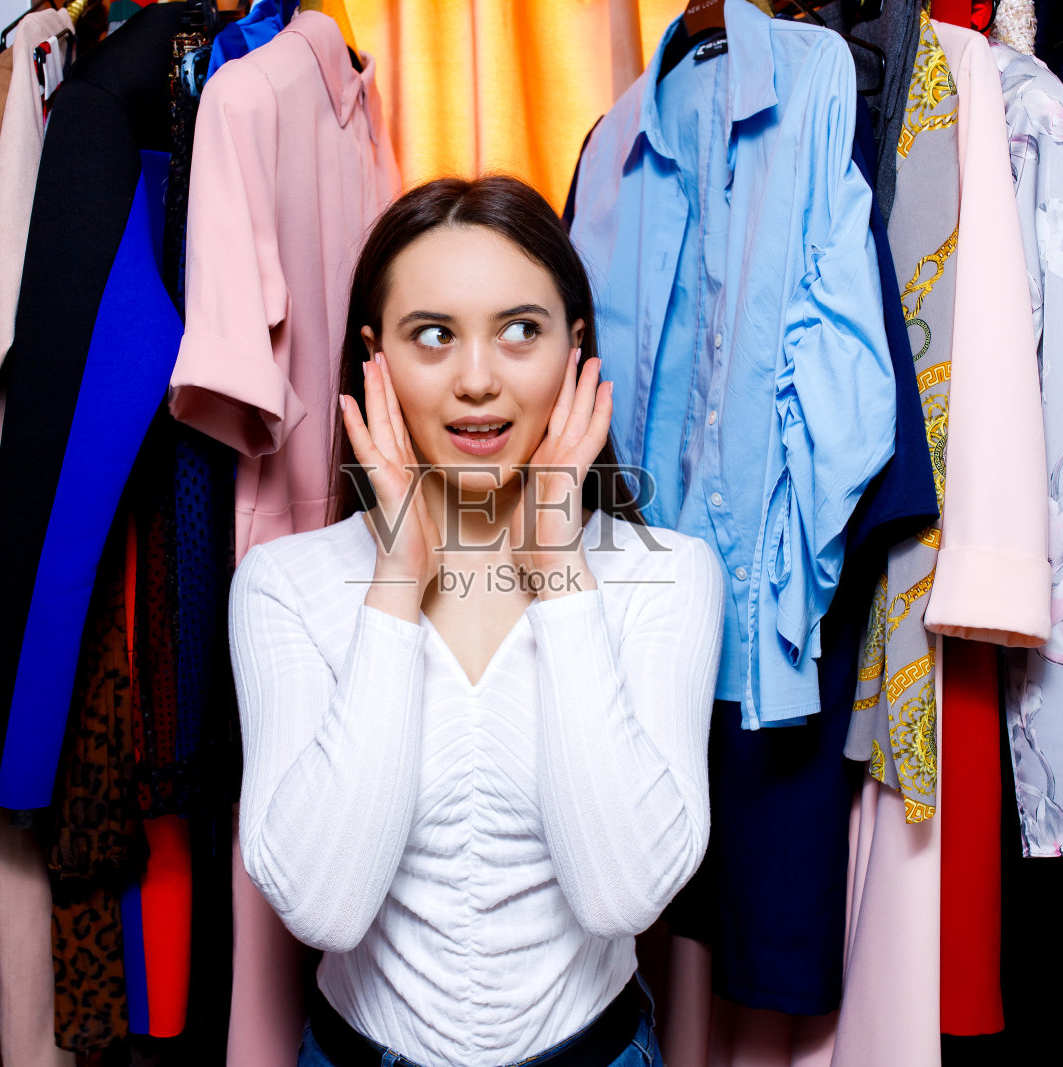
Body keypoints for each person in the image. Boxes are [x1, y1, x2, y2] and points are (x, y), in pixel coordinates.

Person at [227, 175, 725, 1067]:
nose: (478, 381)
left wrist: (560, 570)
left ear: (577, 348)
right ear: (374, 359)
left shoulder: (671, 578)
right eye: (433, 336)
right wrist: (396, 584)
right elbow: (324, 905)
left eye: (521, 330)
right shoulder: (284, 585)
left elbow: (621, 895)